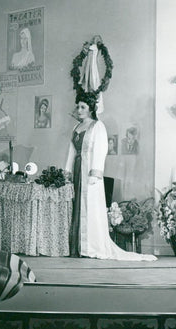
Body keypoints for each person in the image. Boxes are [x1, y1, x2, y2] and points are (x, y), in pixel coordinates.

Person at [64, 91, 156, 261]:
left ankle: (91, 247)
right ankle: (78, 246)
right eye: (78, 106)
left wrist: (95, 172)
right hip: (78, 170)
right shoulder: (76, 127)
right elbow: (71, 150)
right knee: (77, 206)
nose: (79, 110)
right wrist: (67, 170)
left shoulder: (97, 127)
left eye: (83, 107)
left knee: (90, 208)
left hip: (90, 173)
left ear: (91, 109)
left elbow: (101, 150)